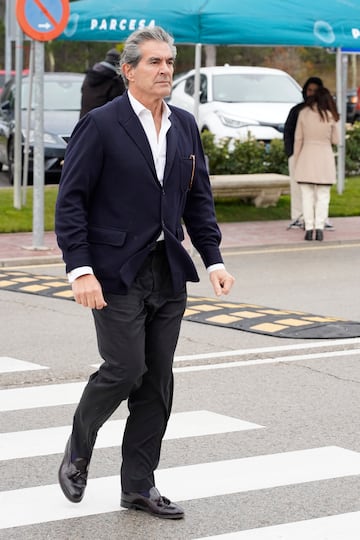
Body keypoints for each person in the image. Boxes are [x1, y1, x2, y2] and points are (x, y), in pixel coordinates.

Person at [55, 26, 234, 520]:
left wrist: (213, 258)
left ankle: (138, 486)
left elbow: (197, 200)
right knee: (125, 368)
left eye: (170, 62)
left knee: (157, 383)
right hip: (114, 271)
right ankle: (78, 450)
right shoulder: (102, 124)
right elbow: (71, 202)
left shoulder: (183, 125)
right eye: (154, 62)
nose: (165, 71)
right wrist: (80, 271)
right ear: (129, 70)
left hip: (167, 271)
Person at [293, 87, 340, 241]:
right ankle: (319, 227)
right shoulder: (330, 116)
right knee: (323, 196)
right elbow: (336, 140)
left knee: (307, 196)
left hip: (306, 156)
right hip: (324, 158)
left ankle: (308, 228)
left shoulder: (303, 114)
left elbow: (298, 139)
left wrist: (296, 160)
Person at [284, 77, 325, 229]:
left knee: (317, 190)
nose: (312, 94)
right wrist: (291, 153)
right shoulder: (297, 111)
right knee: (297, 188)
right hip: (297, 155)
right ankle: (298, 217)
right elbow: (288, 132)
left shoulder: (325, 112)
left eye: (315, 91)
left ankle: (317, 218)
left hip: (316, 156)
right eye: (309, 90)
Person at [79, 48, 125, 118]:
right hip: (103, 123)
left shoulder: (89, 76)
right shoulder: (115, 81)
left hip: (85, 121)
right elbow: (120, 103)